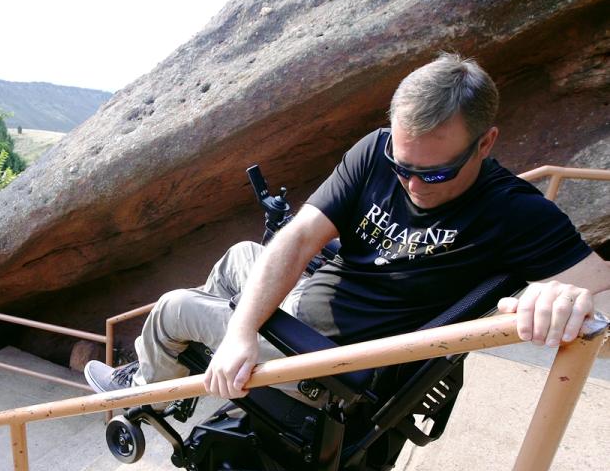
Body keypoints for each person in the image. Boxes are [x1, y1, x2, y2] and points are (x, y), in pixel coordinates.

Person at [84, 53, 610, 399]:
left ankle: (142, 394)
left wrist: (564, 298)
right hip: (307, 306)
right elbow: (298, 236)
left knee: (173, 308)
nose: (413, 185)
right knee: (242, 254)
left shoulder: (515, 212)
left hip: (333, 361)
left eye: (435, 173)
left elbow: (603, 289)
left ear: (486, 142)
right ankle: (185, 367)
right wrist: (241, 332)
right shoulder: (374, 152)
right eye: (402, 166)